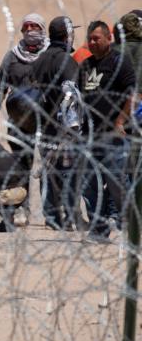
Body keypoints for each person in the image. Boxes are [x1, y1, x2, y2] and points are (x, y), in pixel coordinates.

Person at [0, 13, 50, 228]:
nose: (30, 30)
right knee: (21, 167)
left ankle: (53, 213)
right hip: (19, 122)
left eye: (35, 26)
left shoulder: (51, 55)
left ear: (42, 29)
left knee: (50, 166)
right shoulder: (13, 56)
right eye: (27, 27)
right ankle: (22, 210)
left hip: (47, 122)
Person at [80, 20, 136, 242]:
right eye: (90, 39)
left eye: (97, 38)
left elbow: (132, 93)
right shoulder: (85, 66)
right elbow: (77, 97)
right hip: (90, 135)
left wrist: (120, 120)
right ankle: (99, 228)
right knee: (89, 183)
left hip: (113, 135)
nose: (92, 42)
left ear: (108, 39)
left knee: (116, 181)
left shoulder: (120, 63)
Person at [30, 16, 83, 230]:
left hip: (44, 126)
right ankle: (70, 217)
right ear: (66, 35)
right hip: (63, 128)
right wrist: (72, 127)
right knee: (69, 172)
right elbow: (70, 94)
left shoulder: (40, 60)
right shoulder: (66, 60)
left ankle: (51, 217)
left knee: (49, 172)